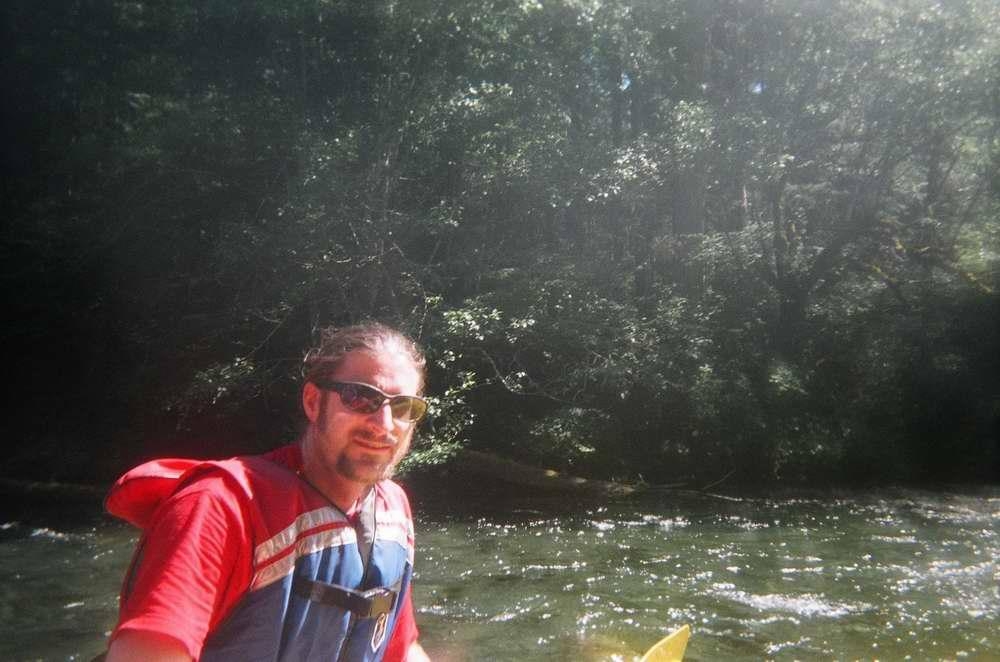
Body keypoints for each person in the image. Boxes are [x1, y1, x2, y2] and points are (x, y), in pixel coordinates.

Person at [103, 322, 432, 661]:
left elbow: (402, 650)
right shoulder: (220, 505)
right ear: (313, 402)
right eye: (360, 397)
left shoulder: (392, 508)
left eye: (404, 407)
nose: (384, 424)